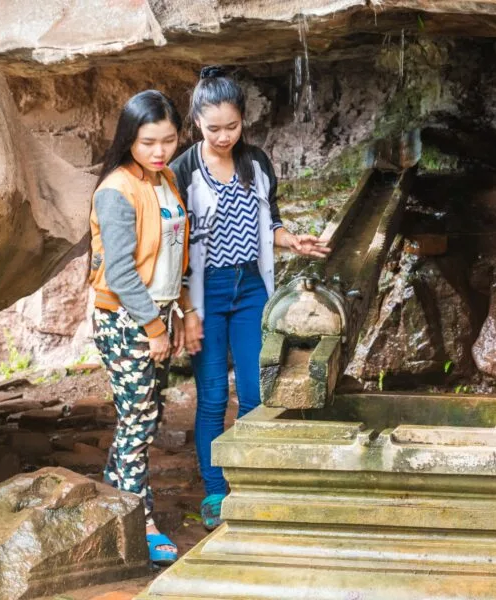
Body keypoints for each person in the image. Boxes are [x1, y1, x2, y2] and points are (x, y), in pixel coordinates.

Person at [171, 66, 330, 530]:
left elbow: (269, 222)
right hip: (205, 291)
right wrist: (182, 307)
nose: (224, 136)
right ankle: (215, 489)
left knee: (257, 391)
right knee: (212, 395)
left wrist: (291, 240)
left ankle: (250, 480)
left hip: (251, 288)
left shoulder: (256, 162)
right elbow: (173, 242)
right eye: (213, 128)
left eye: (232, 126)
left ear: (244, 120)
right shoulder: (183, 170)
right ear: (196, 122)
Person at [89, 90, 190, 565]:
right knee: (138, 420)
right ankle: (141, 521)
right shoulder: (116, 190)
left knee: (144, 416)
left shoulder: (166, 178)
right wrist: (154, 328)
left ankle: (115, 505)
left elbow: (174, 254)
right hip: (125, 319)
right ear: (129, 138)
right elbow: (121, 272)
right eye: (148, 142)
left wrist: (181, 310)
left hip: (158, 314)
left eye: (168, 140)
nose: (159, 151)